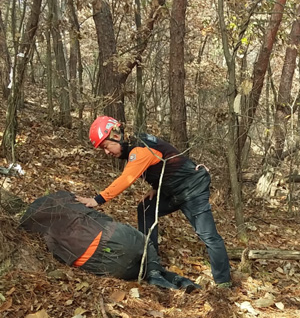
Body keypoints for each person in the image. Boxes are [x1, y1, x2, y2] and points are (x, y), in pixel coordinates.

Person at [76, 116, 232, 287]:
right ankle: (151, 261)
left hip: (192, 189)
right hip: (172, 190)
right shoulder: (137, 145)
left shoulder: (139, 150)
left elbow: (126, 179)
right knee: (146, 208)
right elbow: (165, 163)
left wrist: (96, 200)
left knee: (208, 234)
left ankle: (223, 282)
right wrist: (156, 188)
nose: (107, 152)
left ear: (116, 135)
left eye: (106, 146)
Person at [20, 190, 199, 292]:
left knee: (138, 271)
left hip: (97, 262)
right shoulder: (62, 198)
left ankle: (158, 277)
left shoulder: (33, 226)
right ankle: (169, 277)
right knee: (145, 244)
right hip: (115, 234)